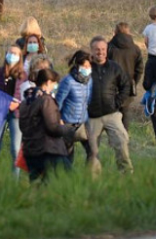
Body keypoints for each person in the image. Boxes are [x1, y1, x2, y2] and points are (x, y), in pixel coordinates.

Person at [19, 69, 75, 182]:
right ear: (49, 82)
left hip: (30, 151)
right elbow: (53, 127)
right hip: (48, 150)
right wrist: (67, 128)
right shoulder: (46, 100)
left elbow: (22, 126)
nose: (55, 86)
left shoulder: (26, 101)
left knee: (37, 186)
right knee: (72, 180)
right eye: (55, 83)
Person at [87, 36, 133, 173]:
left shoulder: (115, 67)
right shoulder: (86, 68)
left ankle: (126, 174)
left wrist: (117, 103)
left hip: (112, 114)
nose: (100, 52)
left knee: (122, 142)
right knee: (92, 150)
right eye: (97, 49)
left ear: (106, 50)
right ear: (91, 50)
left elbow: (126, 86)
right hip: (92, 117)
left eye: (102, 49)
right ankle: (94, 179)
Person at [0, 45, 26, 174]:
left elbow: (26, 96)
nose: (12, 55)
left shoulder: (23, 75)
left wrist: (18, 104)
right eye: (10, 52)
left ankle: (14, 182)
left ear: (20, 58)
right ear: (5, 54)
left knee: (15, 150)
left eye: (15, 54)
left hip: (16, 115)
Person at [56, 50, 94, 167]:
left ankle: (89, 177)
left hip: (83, 122)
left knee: (93, 150)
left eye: (89, 66)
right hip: (68, 123)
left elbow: (88, 100)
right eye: (84, 66)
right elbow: (58, 102)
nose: (87, 69)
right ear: (77, 66)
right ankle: (67, 179)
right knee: (68, 156)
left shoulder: (89, 81)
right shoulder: (67, 81)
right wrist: (59, 119)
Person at [108, 22, 144, 131]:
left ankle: (113, 139)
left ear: (115, 32)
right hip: (128, 84)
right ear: (129, 32)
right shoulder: (135, 48)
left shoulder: (109, 47)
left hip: (111, 85)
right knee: (125, 112)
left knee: (112, 113)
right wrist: (134, 81)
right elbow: (140, 68)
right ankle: (125, 138)